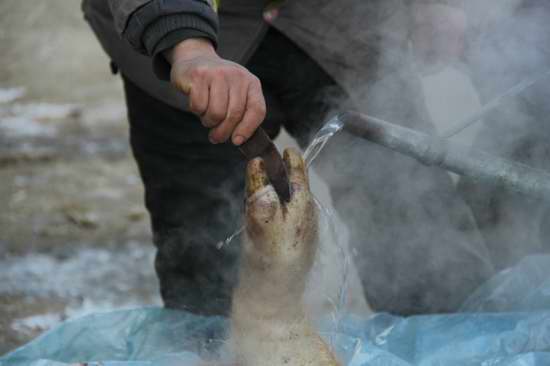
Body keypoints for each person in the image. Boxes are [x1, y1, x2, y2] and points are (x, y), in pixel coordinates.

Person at [82, 0, 494, 317]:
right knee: (205, 259)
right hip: (186, 48)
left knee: (423, 240)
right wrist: (188, 46)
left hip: (337, 23)